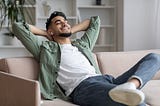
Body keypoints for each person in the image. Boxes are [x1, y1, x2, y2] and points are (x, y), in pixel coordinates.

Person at [12, 11, 160, 106]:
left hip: (107, 80)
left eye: (66, 21)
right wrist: (47, 33)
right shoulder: (45, 48)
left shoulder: (82, 45)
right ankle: (128, 91)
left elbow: (95, 22)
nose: (64, 23)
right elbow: (18, 26)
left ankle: (131, 85)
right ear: (51, 31)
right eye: (58, 22)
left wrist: (67, 29)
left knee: (154, 57)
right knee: (135, 102)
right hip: (83, 88)